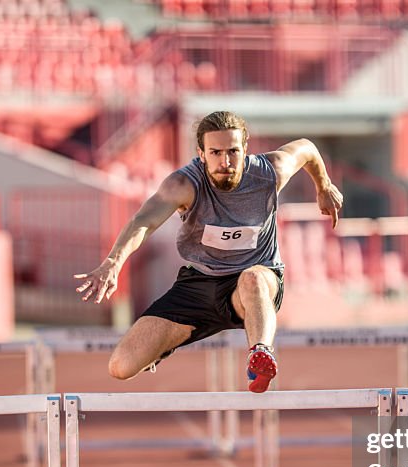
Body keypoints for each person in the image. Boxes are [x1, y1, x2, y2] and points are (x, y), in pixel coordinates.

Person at [74, 111, 343, 392]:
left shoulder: (270, 171)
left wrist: (323, 186)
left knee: (252, 279)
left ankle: (260, 353)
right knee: (121, 366)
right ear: (201, 153)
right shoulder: (185, 184)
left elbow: (307, 149)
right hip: (200, 283)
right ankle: (168, 342)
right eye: (215, 153)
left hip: (255, 280)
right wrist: (113, 263)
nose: (225, 162)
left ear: (245, 149)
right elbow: (145, 221)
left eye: (233, 152)